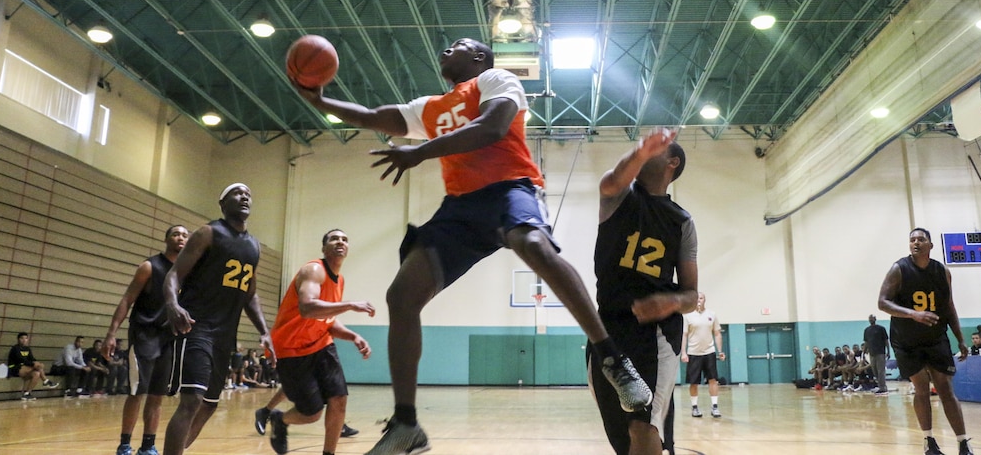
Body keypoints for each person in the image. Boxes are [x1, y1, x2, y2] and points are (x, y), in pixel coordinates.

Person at [296, 38, 654, 455]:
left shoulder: (495, 80)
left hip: (509, 189)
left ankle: (612, 357)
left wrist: (421, 152)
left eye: (457, 46)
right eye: (444, 46)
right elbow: (375, 115)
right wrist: (321, 100)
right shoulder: (428, 108)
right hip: (461, 208)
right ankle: (407, 424)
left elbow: (492, 127)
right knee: (402, 294)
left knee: (535, 245)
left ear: (480, 57)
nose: (446, 49)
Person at [588, 129, 698, 455]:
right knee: (623, 436)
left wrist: (672, 301)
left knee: (643, 425)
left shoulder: (682, 222)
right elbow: (612, 179)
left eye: (660, 150)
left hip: (656, 333)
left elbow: (693, 296)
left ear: (672, 163)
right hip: (606, 329)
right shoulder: (618, 196)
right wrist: (641, 150)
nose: (649, 152)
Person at [161, 184, 274, 455]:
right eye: (237, 193)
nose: (245, 196)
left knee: (209, 404)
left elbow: (250, 294)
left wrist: (265, 331)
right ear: (222, 203)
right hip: (196, 327)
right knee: (191, 401)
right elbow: (173, 274)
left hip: (225, 335)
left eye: (249, 193)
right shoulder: (208, 233)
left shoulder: (253, 246)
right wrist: (172, 304)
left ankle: (177, 450)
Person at [260, 228, 375, 455]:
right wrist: (351, 305)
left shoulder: (339, 280)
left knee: (339, 399)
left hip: (321, 345)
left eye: (344, 239)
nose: (340, 241)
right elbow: (308, 307)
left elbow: (326, 321)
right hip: (291, 350)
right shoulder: (314, 270)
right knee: (312, 413)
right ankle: (280, 420)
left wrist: (353, 335)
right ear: (324, 248)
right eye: (334, 238)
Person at [878, 227, 973, 455]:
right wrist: (913, 314)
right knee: (921, 388)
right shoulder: (899, 269)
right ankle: (929, 441)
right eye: (912, 240)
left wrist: (960, 338)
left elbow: (949, 306)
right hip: (907, 340)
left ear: (930, 245)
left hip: (935, 337)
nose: (916, 243)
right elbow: (882, 302)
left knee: (945, 388)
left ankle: (963, 443)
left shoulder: (942, 272)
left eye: (921, 239)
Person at [101, 224, 189, 455]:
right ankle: (125, 444)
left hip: (168, 338)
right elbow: (127, 300)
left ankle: (148, 445)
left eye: (185, 235)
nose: (180, 237)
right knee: (136, 392)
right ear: (167, 239)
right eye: (176, 234)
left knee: (157, 395)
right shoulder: (150, 267)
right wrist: (111, 334)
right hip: (144, 335)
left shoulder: (186, 273)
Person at [682, 292, 724, 418]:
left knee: (713, 380)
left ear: (704, 300)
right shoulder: (687, 316)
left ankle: (715, 406)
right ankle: (695, 407)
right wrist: (683, 352)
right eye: (697, 298)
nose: (699, 300)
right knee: (693, 382)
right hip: (694, 353)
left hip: (709, 352)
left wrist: (720, 350)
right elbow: (684, 335)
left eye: (701, 298)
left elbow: (717, 333)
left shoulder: (712, 315)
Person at [7, 332, 57, 400]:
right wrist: (35, 365)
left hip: (25, 368)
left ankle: (27, 393)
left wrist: (37, 363)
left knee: (37, 373)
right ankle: (45, 381)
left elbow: (32, 359)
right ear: (18, 339)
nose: (24, 340)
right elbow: (21, 360)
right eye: (22, 338)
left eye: (26, 338)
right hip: (14, 368)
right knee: (37, 366)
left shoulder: (27, 349)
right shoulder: (15, 348)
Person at [863, 314, 890, 395]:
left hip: (881, 353)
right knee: (874, 370)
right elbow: (866, 342)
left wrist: (888, 352)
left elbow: (886, 341)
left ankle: (883, 388)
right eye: (869, 318)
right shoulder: (867, 330)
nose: (871, 319)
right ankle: (881, 386)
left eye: (872, 318)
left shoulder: (881, 328)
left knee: (881, 370)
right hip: (872, 353)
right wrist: (864, 353)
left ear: (875, 319)